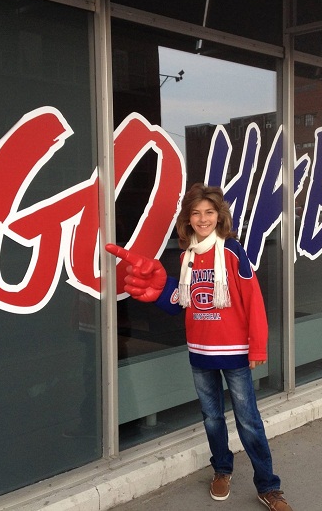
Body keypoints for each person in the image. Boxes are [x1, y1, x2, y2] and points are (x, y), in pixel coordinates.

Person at [106, 183, 293, 511]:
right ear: (188, 219)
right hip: (200, 351)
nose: (203, 219)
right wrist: (159, 291)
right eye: (196, 213)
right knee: (211, 417)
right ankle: (222, 469)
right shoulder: (186, 256)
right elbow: (183, 302)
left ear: (219, 216)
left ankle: (268, 486)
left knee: (248, 421)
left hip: (234, 352)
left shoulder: (233, 251)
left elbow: (253, 298)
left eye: (209, 212)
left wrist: (258, 346)